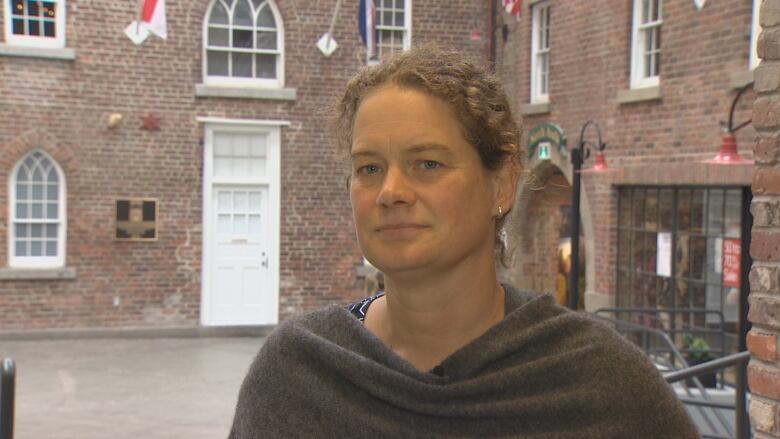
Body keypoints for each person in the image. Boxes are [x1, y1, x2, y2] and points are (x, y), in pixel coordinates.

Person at [228, 46, 698, 438]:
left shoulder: (598, 383)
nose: (390, 192)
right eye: (369, 168)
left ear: (502, 185)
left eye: (427, 163)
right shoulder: (297, 374)